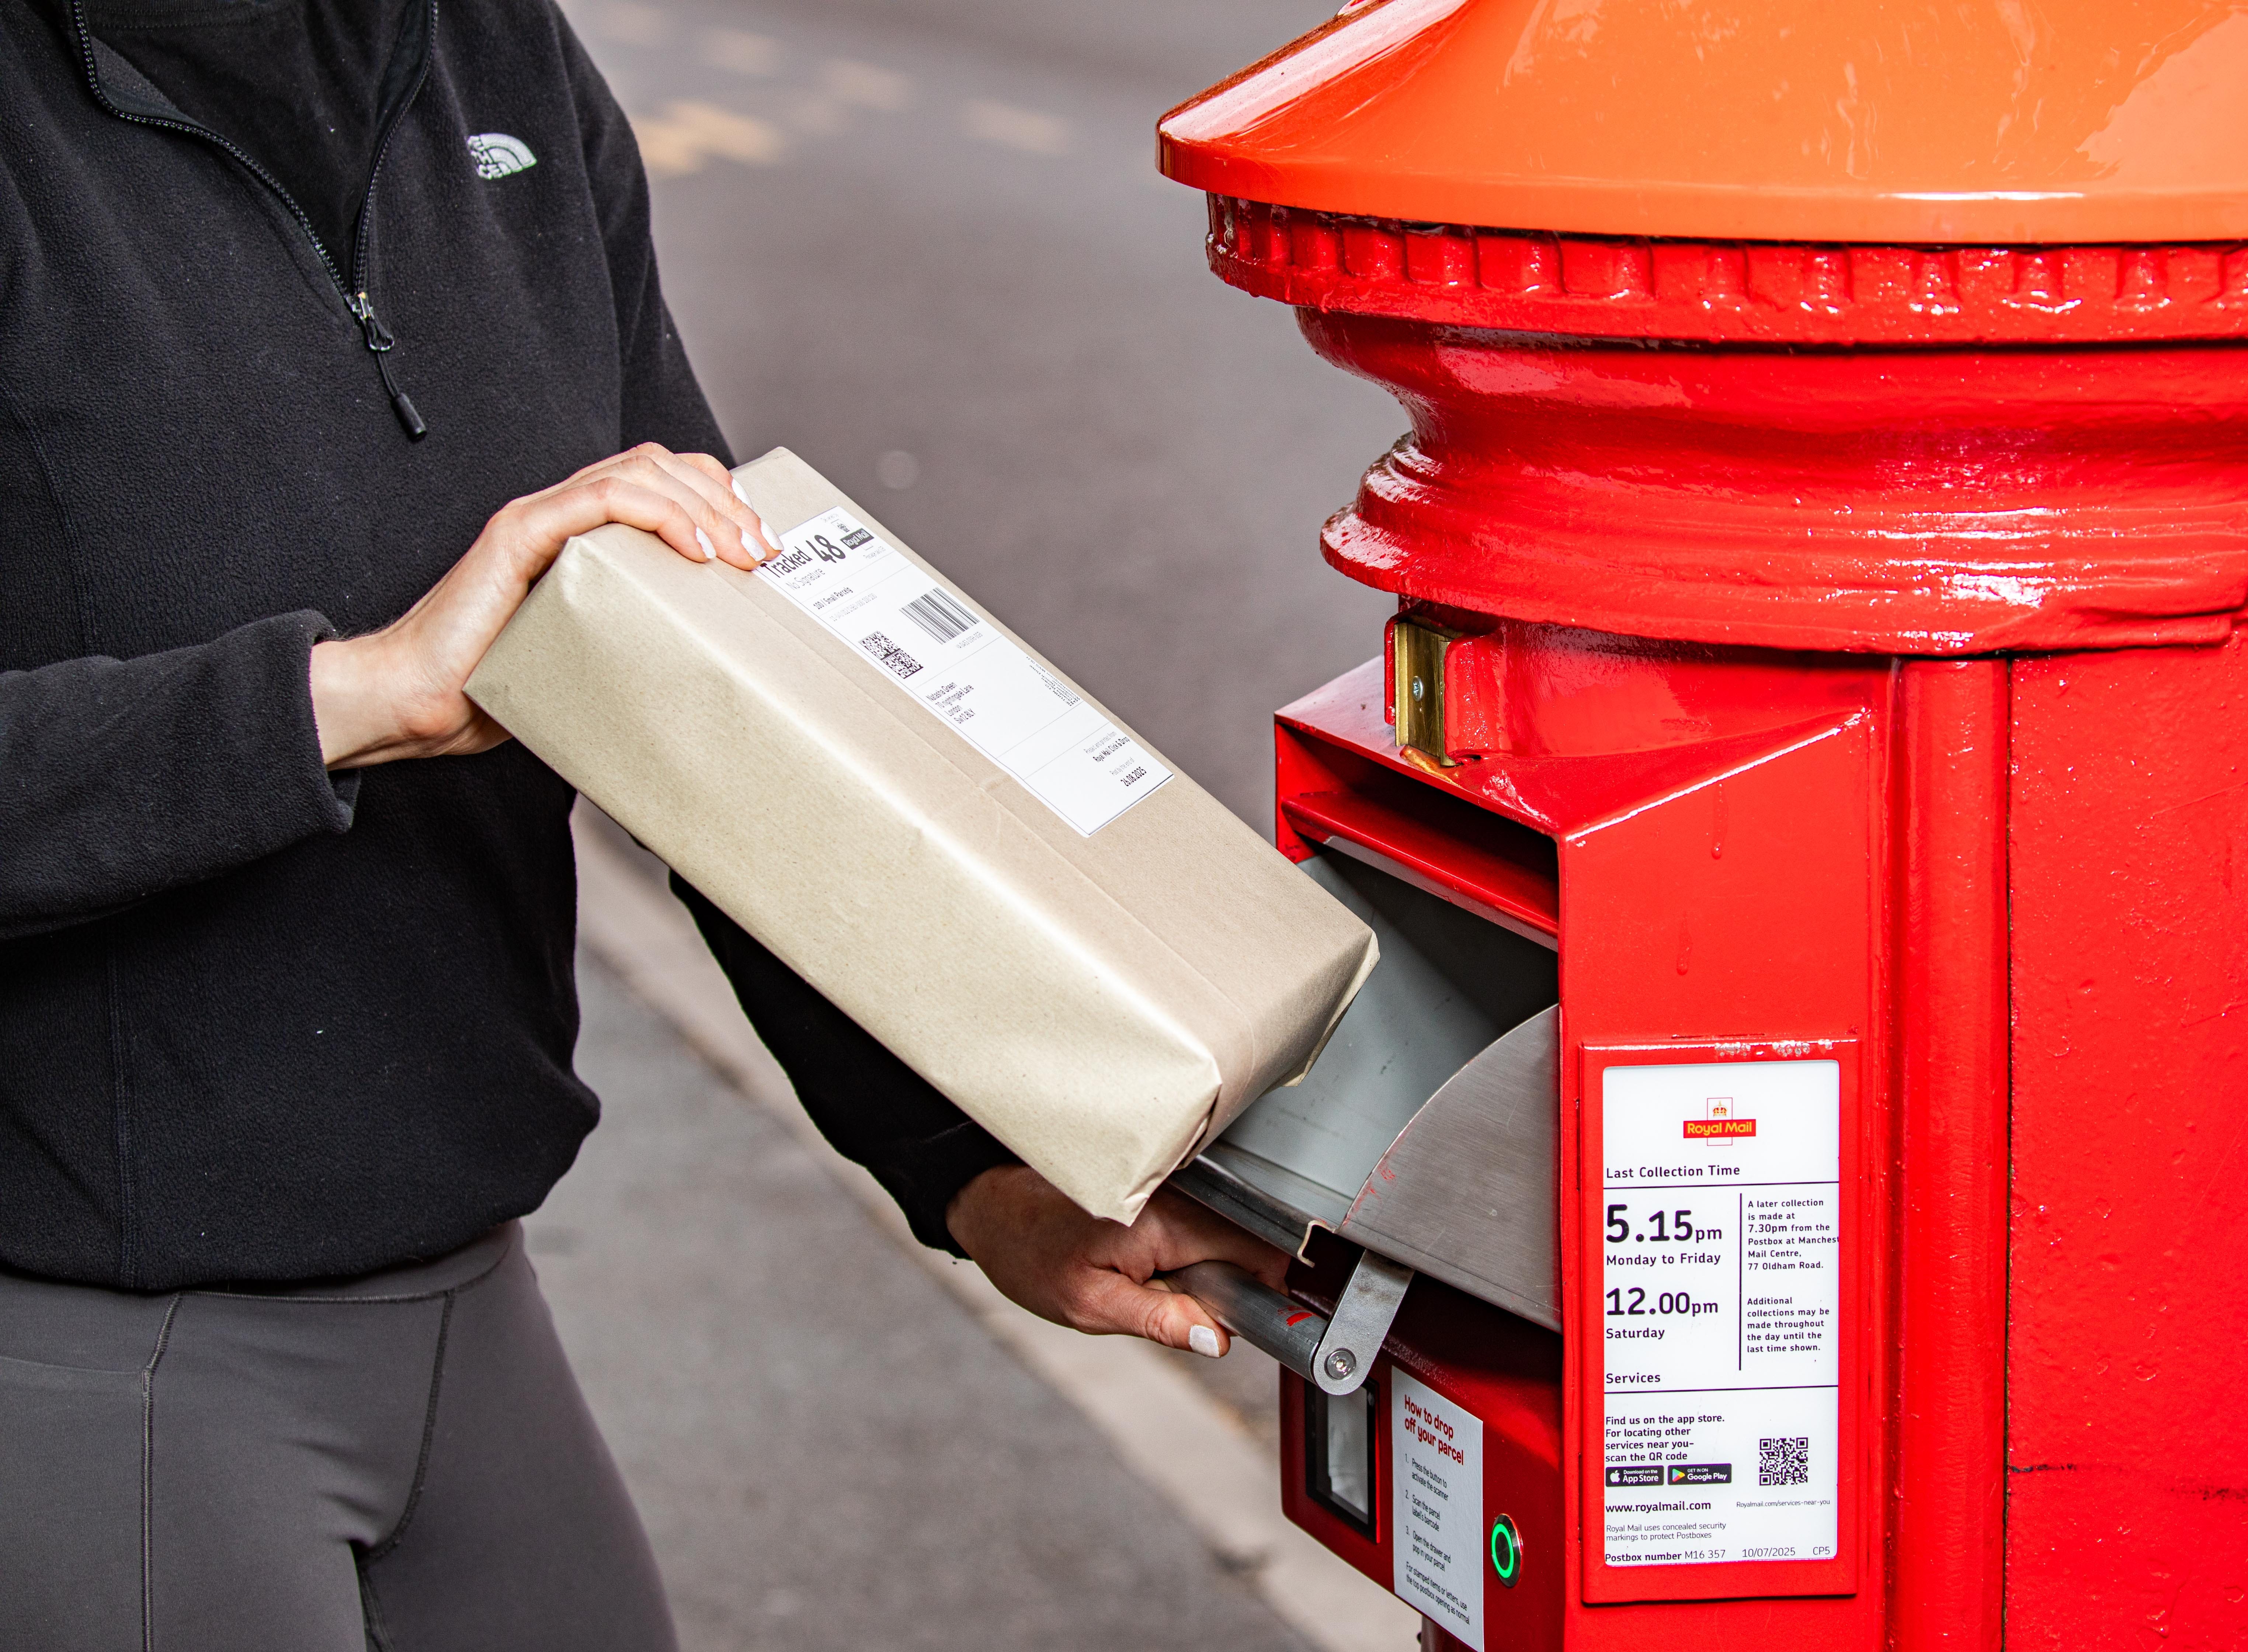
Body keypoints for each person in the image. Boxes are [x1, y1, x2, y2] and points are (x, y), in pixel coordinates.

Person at [0, 0, 1287, 1646]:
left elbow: (719, 699)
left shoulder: (486, 54)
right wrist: (342, 696)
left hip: (466, 1289)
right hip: (102, 1345)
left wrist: (969, 1171)